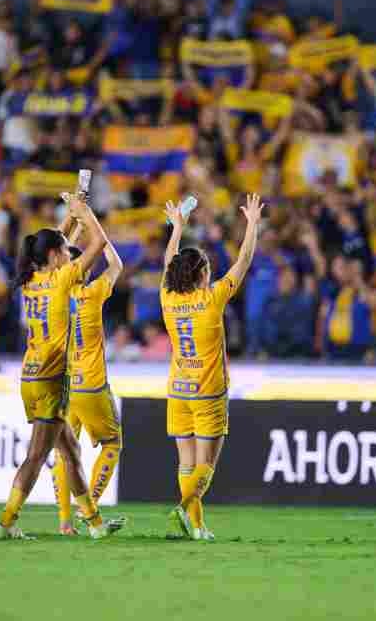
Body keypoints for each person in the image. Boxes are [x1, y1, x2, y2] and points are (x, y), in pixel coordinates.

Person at [0, 196, 125, 540]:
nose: (70, 254)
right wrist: (84, 214)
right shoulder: (63, 279)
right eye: (65, 251)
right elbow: (97, 243)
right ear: (54, 257)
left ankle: (94, 524)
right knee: (36, 456)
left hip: (30, 375)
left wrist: (69, 219)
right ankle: (6, 522)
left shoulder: (28, 279)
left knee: (71, 451)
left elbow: (52, 241)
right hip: (53, 380)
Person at [161, 193, 263, 541]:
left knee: (186, 463)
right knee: (206, 465)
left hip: (178, 391)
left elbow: (167, 262)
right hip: (208, 393)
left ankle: (198, 526)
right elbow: (244, 260)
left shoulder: (168, 297)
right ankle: (185, 507)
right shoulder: (212, 298)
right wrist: (251, 224)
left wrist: (177, 228)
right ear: (201, 275)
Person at [51, 229, 125, 536]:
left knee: (65, 452)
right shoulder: (93, 293)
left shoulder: (54, 293)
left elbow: (51, 245)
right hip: (92, 386)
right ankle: (89, 506)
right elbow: (117, 265)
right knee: (112, 444)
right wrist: (96, 228)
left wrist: (75, 223)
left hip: (64, 385)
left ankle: (65, 521)